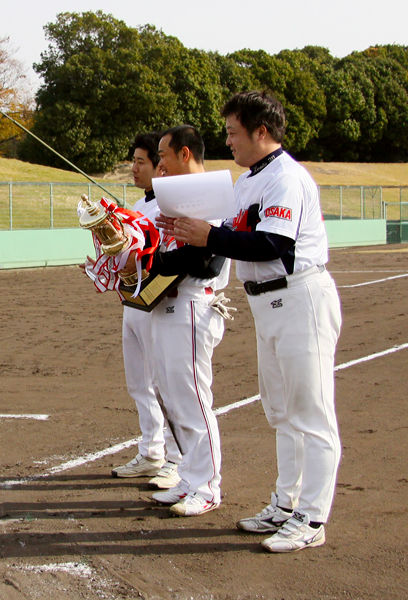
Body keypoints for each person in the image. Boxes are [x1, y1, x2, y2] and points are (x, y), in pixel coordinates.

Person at [168, 91, 342, 552]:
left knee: (312, 413)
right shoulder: (248, 180)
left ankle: (312, 516)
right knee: (282, 410)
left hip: (299, 296)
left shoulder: (285, 177)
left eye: (233, 132)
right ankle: (286, 503)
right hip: (269, 302)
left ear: (261, 132)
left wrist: (212, 235)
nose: (228, 142)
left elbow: (273, 245)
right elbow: (225, 237)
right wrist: (189, 232)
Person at [139, 125, 230, 516]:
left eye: (164, 154)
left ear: (185, 153)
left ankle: (207, 486)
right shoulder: (174, 197)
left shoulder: (212, 195)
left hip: (193, 302)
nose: (159, 162)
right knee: (172, 395)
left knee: (192, 397)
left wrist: (156, 262)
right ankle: (188, 478)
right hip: (167, 303)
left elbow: (207, 261)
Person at [109, 132, 183, 490]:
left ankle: (176, 459)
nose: (134, 168)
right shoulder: (139, 207)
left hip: (159, 302)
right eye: (134, 161)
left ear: (160, 165)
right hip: (133, 301)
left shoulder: (169, 205)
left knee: (163, 384)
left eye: (142, 161)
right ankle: (151, 451)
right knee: (139, 382)